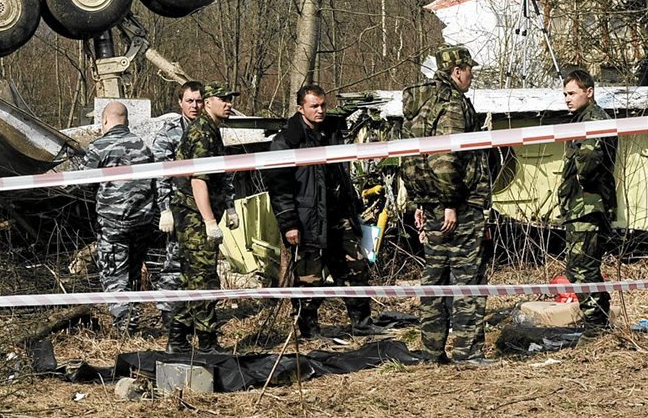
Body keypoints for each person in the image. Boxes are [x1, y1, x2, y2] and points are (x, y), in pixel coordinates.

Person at [402, 44, 492, 366]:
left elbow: (411, 156)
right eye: (469, 70)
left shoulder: (422, 103)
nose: (471, 76)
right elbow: (444, 158)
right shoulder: (451, 103)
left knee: (435, 278)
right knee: (468, 279)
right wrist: (451, 203)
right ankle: (468, 352)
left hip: (430, 203)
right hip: (458, 206)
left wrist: (419, 201)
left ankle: (431, 351)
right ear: (457, 71)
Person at [265, 84, 377, 339]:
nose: (320, 110)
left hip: (339, 215)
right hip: (307, 220)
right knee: (309, 277)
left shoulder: (332, 132)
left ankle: (362, 325)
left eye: (323, 105)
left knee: (355, 269)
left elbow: (342, 174)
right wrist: (289, 223)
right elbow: (279, 188)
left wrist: (353, 207)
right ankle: (309, 332)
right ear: (300, 108)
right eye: (314, 106)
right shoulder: (287, 141)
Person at [149, 81, 239, 327]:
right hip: (185, 209)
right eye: (190, 101)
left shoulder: (211, 129)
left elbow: (221, 174)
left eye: (198, 101)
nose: (195, 106)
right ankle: (173, 317)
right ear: (180, 103)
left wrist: (229, 204)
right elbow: (164, 174)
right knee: (179, 265)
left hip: (202, 208)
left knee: (195, 270)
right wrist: (165, 209)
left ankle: (182, 327)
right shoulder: (175, 133)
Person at [81, 101, 157, 333]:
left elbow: (83, 182)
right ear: (127, 121)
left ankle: (125, 324)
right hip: (142, 221)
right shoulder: (143, 146)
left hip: (113, 223)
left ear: (105, 120)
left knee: (114, 273)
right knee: (133, 271)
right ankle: (132, 316)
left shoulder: (99, 147)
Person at [558, 68, 616, 335]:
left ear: (589, 92)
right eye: (565, 94)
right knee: (579, 267)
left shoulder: (593, 120)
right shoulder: (581, 120)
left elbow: (589, 161)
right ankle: (598, 320)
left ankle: (596, 327)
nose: (567, 99)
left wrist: (580, 179)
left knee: (583, 268)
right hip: (579, 205)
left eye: (572, 93)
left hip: (589, 206)